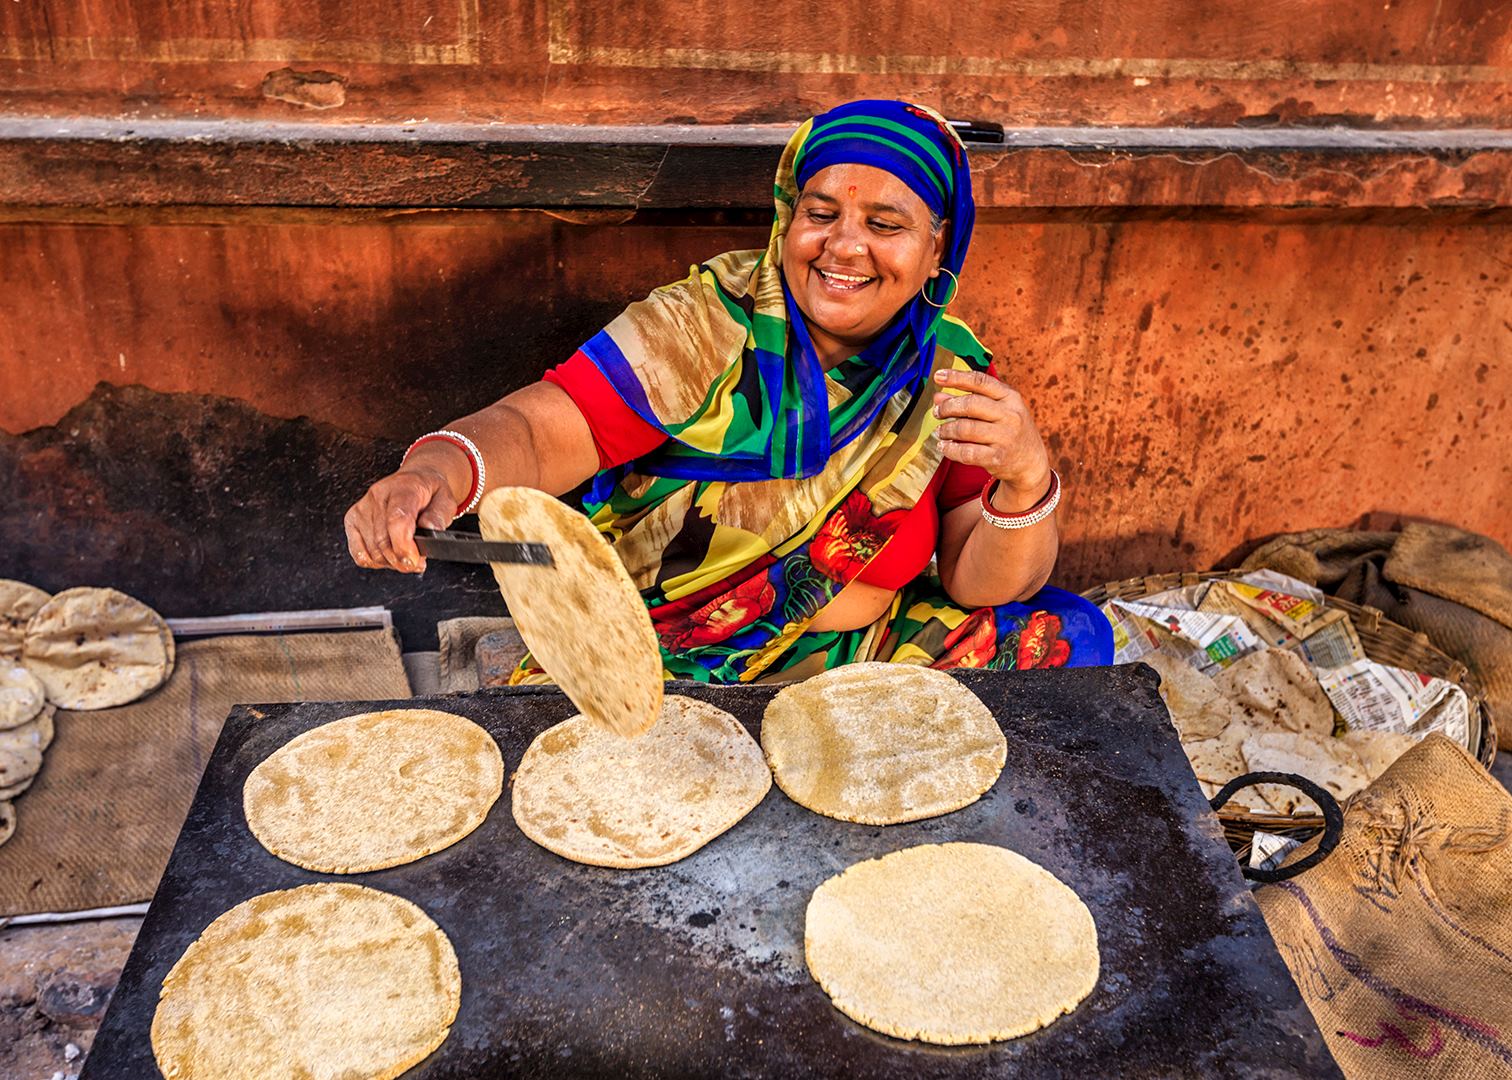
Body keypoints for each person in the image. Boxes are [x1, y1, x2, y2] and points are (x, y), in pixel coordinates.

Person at [345, 99, 1112, 683]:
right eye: (821, 214)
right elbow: (541, 431)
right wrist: (432, 475)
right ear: (787, 217)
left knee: (1069, 639)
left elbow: (980, 582)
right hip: (669, 653)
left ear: (937, 243)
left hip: (854, 656)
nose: (844, 246)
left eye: (885, 223)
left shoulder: (948, 370)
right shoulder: (705, 324)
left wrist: (1026, 478)